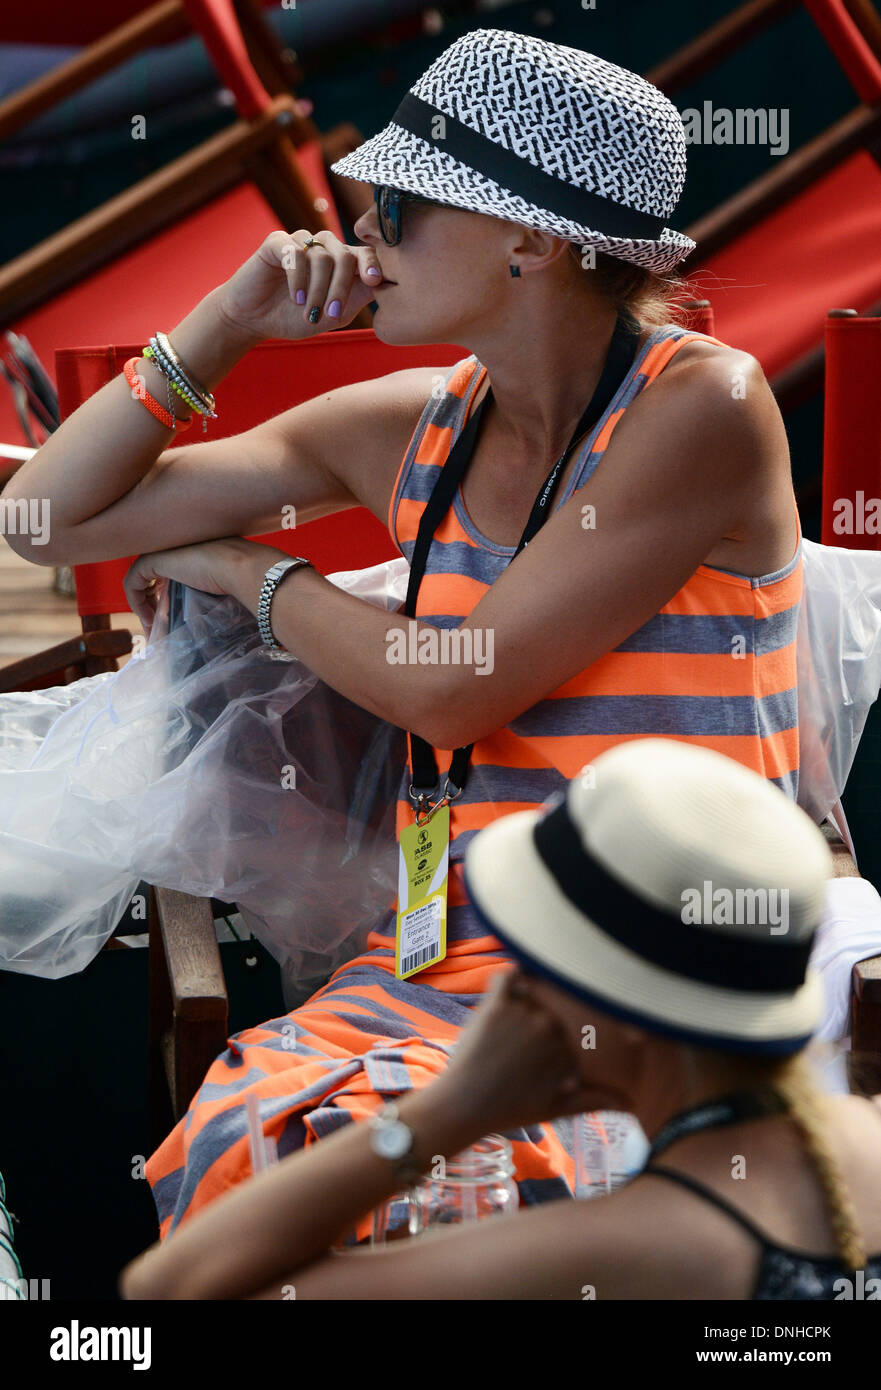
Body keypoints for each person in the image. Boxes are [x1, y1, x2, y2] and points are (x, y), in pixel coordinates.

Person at [2, 29, 802, 1238]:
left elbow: (452, 689)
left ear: (528, 240)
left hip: (673, 971)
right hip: (459, 963)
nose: (359, 232)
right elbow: (41, 516)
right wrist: (224, 323)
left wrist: (248, 571)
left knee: (430, 1202)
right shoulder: (413, 424)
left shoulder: (706, 407)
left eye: (397, 208)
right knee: (257, 1151)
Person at [120, 739, 881, 1300]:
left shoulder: (619, 1251)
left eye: (530, 953)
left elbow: (174, 1288)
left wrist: (449, 1110)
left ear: (607, 1008)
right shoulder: (860, 1139)